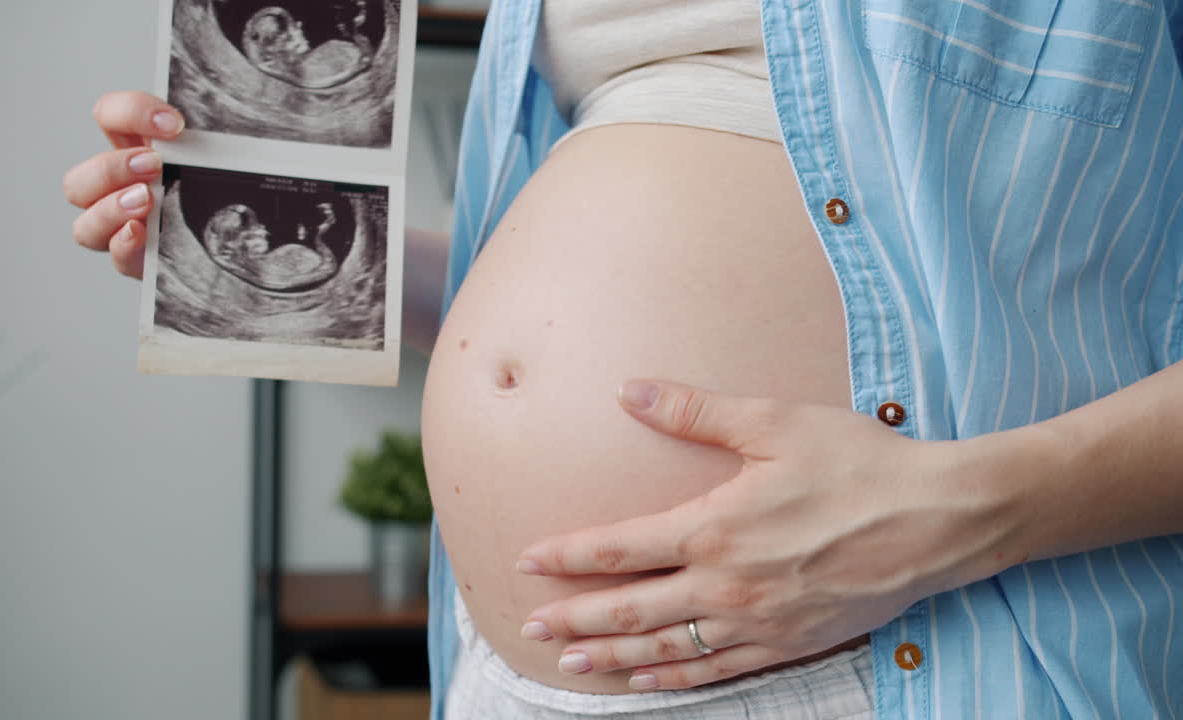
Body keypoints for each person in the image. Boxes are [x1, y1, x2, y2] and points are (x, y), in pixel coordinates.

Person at [65, 1, 1183, 718]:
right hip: (504, 679)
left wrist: (953, 514)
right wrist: (257, 251)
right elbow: (544, 302)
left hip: (908, 652)